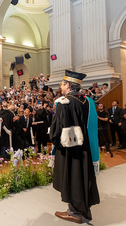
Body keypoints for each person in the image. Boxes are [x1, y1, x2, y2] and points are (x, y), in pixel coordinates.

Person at [50, 70, 99, 223]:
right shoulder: (87, 102)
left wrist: (52, 135)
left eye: (62, 84)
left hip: (70, 148)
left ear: (67, 85)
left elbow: (57, 132)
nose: (61, 86)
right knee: (83, 175)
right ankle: (86, 210)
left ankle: (74, 212)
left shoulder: (64, 103)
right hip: (84, 147)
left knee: (73, 176)